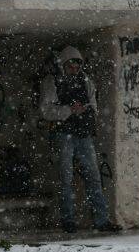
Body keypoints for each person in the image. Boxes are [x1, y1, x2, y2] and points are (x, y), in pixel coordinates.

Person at [39, 46, 121, 233]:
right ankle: (68, 220)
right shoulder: (52, 82)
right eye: (71, 67)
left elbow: (94, 105)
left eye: (77, 67)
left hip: (83, 134)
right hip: (63, 134)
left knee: (93, 177)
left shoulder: (86, 81)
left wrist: (84, 111)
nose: (74, 70)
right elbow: (45, 110)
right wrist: (69, 110)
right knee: (65, 178)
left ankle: (101, 220)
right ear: (63, 65)